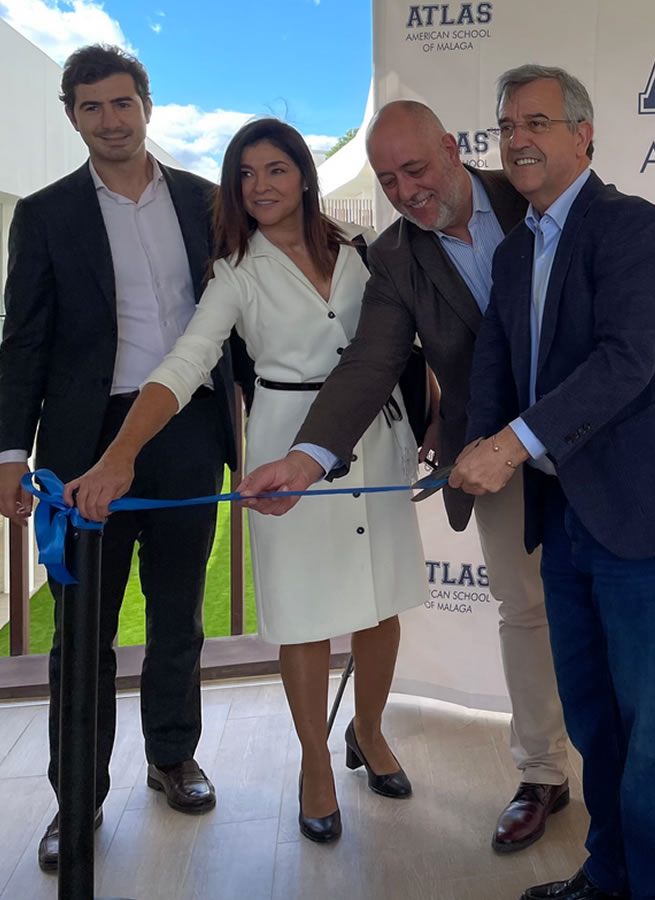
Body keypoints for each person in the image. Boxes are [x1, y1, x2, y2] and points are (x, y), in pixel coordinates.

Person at [66, 118, 424, 844]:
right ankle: (315, 761)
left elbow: (406, 341)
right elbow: (186, 362)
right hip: (284, 450)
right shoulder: (234, 272)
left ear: (303, 175)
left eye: (276, 171)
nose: (260, 187)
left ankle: (370, 731)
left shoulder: (359, 251)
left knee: (380, 601)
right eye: (245, 175)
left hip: (375, 436)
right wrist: (121, 451)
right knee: (303, 614)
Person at [239, 100, 574, 852]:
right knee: (524, 612)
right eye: (388, 179)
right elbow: (369, 365)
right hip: (489, 458)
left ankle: (629, 781)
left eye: (416, 168)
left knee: (610, 614)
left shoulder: (533, 194)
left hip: (594, 441)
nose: (405, 190)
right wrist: (306, 457)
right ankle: (543, 774)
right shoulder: (392, 255)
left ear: (453, 149)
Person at [450, 64, 655, 900]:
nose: (516, 140)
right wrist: (468, 455)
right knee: (594, 718)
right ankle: (613, 873)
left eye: (537, 123)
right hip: (566, 515)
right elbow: (498, 377)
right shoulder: (513, 255)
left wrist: (507, 446)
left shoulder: (632, 228)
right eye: (507, 126)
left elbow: (625, 362)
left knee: (653, 725)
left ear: (584, 135)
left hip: (649, 511)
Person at [0, 43, 248, 872]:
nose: (110, 120)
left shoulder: (208, 204)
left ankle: (173, 756)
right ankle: (76, 800)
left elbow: (239, 331)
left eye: (122, 103)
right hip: (81, 445)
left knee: (178, 614)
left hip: (188, 432)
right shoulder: (44, 213)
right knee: (83, 631)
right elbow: (26, 341)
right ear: (72, 117)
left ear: (147, 105)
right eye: (91, 107)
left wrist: (256, 444)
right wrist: (7, 451)